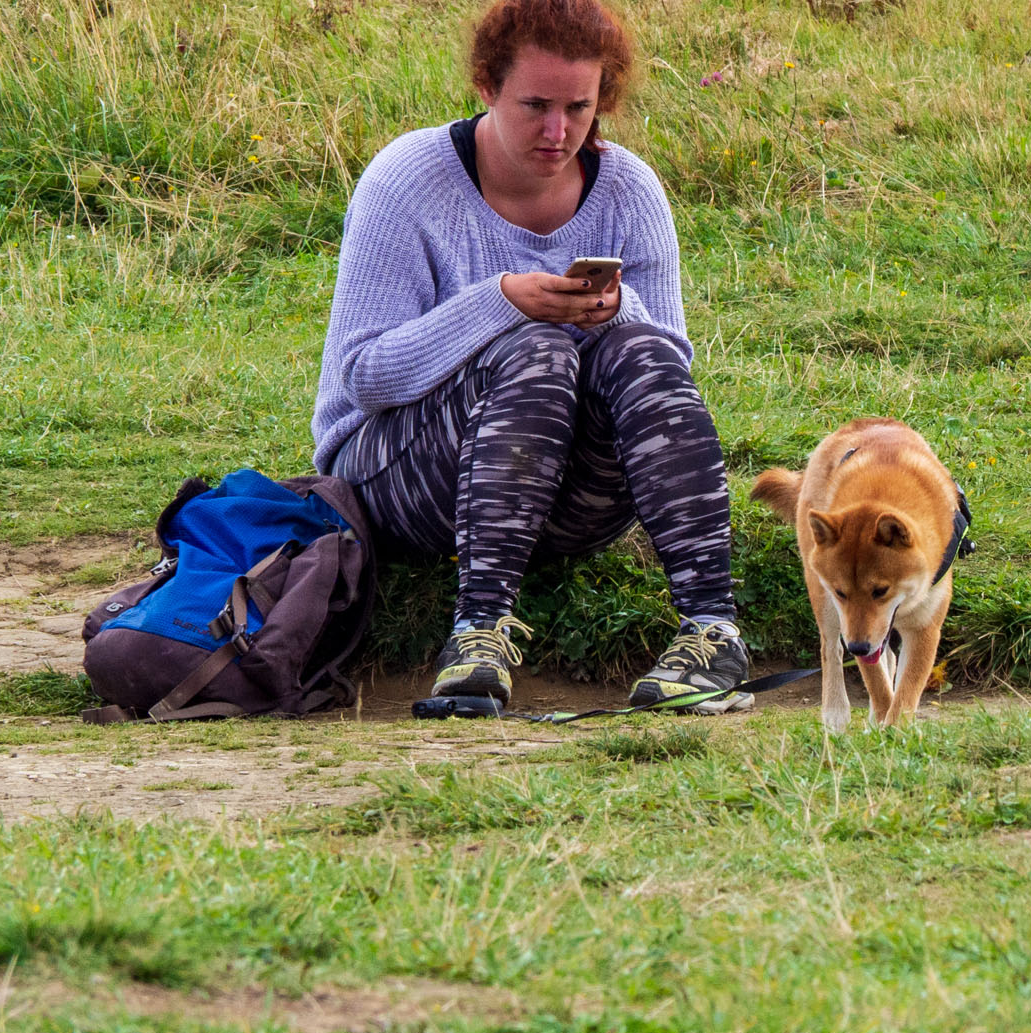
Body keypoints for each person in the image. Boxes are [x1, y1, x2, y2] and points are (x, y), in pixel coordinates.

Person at [310, 0, 750, 712]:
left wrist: (616, 312)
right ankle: (477, 631)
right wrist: (502, 301)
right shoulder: (406, 180)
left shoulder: (630, 188)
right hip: (399, 483)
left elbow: (669, 376)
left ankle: (712, 627)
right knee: (538, 348)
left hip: (564, 492)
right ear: (486, 86)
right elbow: (364, 375)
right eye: (535, 105)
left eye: (579, 106)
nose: (558, 131)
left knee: (640, 348)